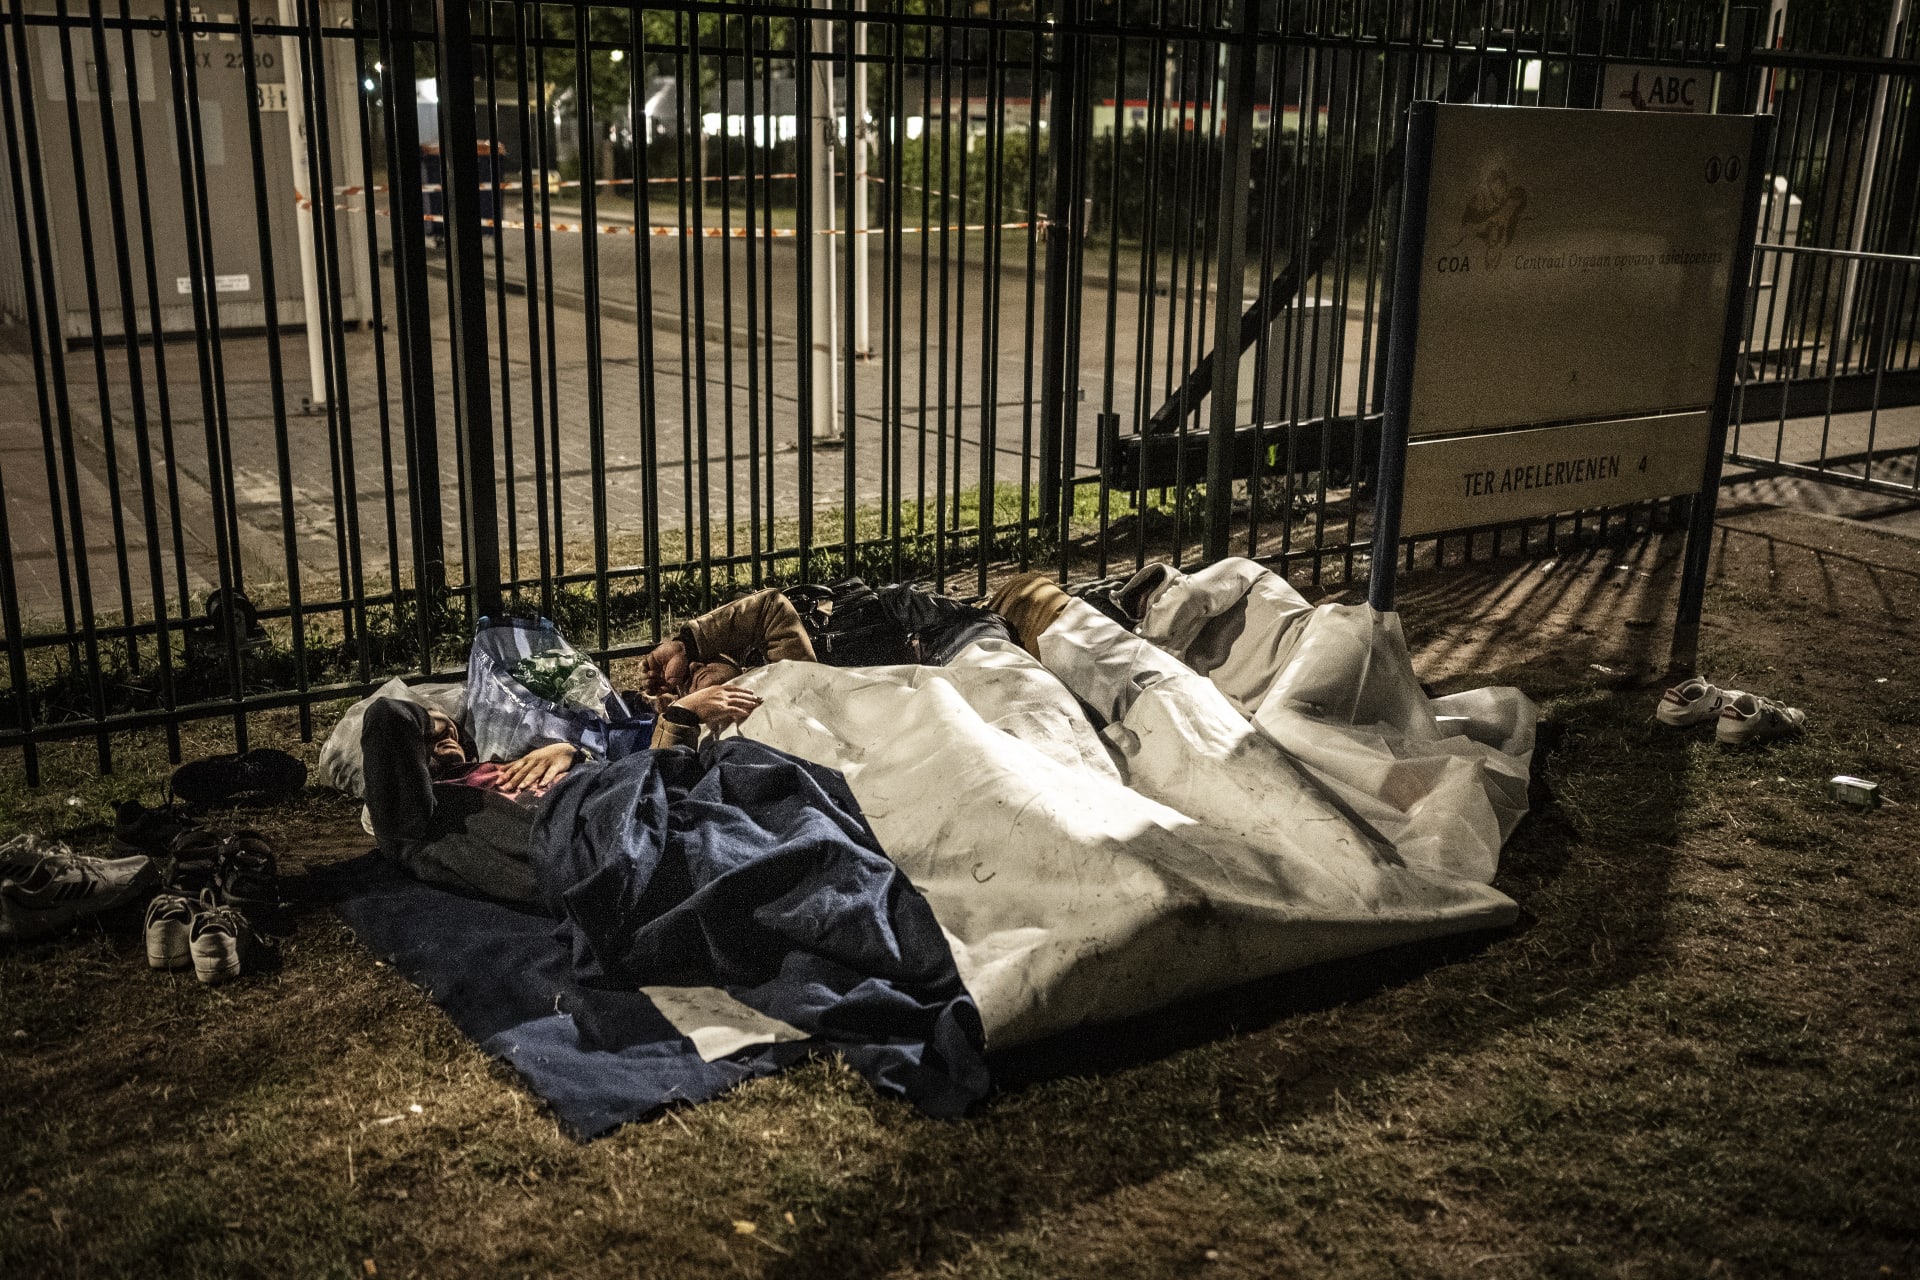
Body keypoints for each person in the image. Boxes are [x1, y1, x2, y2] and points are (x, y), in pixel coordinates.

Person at [362, 682, 760, 902]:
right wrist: (428, 720)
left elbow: (639, 781)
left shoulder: (505, 766)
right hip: (597, 847)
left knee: (753, 775)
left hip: (631, 806)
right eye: (428, 739)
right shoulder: (420, 824)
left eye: (448, 731)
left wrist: (574, 753)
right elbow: (386, 718)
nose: (442, 735)